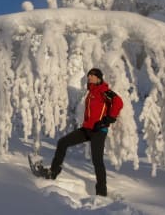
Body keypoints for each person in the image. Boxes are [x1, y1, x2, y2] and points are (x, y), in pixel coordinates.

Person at [39, 68, 123, 197]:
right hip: (87, 129)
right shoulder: (91, 92)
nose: (89, 77)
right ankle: (53, 172)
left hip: (99, 131)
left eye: (93, 75)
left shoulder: (104, 91)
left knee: (97, 160)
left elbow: (118, 102)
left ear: (99, 78)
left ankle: (101, 193)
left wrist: (108, 119)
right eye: (89, 75)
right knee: (63, 142)